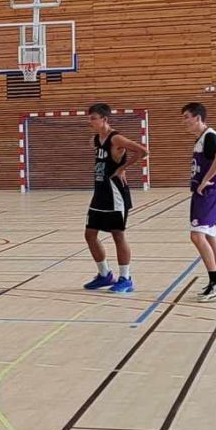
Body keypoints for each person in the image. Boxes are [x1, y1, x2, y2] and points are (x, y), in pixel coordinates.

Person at [82, 103, 149, 294]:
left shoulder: (116, 138)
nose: (90, 121)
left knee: (117, 235)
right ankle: (104, 274)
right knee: (90, 234)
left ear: (104, 119)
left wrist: (122, 168)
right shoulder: (96, 139)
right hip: (100, 193)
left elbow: (143, 151)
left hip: (115, 193)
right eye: (89, 118)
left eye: (93, 118)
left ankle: (126, 278)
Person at [182, 102, 216, 302]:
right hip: (205, 192)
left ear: (197, 117)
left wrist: (205, 180)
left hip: (208, 192)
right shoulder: (202, 138)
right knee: (210, 236)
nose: (184, 121)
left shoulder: (210, 136)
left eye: (186, 117)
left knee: (197, 236)